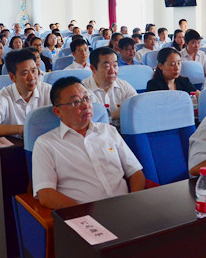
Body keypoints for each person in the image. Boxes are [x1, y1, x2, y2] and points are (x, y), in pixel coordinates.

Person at [32, 77, 145, 209]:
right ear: (58, 111)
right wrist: (86, 216)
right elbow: (46, 195)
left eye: (86, 98)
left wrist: (133, 203)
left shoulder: (109, 131)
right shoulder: (46, 144)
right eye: (75, 102)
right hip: (84, 218)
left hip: (127, 209)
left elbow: (135, 172)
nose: (85, 105)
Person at [0, 49, 52, 137]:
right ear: (12, 77)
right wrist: (21, 129)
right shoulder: (3, 97)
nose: (32, 77)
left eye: (34, 71)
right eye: (25, 73)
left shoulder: (48, 90)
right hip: (16, 147)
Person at [82, 47, 137, 122]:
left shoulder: (123, 85)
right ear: (93, 68)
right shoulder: (83, 89)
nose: (112, 71)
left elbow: (137, 108)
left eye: (115, 65)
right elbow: (91, 119)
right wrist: (114, 114)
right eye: (107, 66)